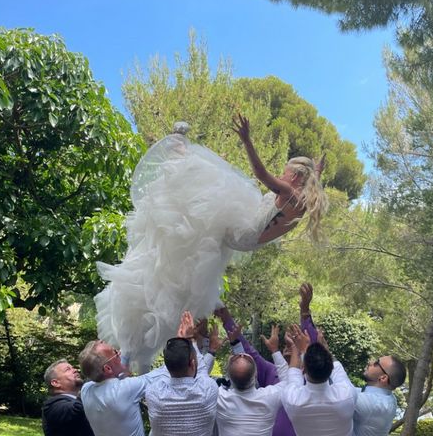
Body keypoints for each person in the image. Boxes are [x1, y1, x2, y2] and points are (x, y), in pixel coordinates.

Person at [94, 118, 328, 372]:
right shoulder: (303, 197)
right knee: (199, 216)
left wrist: (247, 140)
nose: (282, 174)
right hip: (245, 235)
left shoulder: (289, 193)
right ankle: (180, 159)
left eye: (284, 172)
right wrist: (317, 170)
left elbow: (261, 174)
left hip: (242, 231)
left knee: (212, 187)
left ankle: (179, 155)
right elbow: (310, 178)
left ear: (292, 176)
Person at [215, 282, 318, 436]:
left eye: (295, 342)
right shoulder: (272, 371)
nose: (290, 346)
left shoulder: (312, 375)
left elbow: (316, 349)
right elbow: (249, 356)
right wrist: (228, 321)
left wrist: (305, 311)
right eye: (287, 344)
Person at [145, 311, 219, 436]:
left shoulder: (153, 393)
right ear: (192, 363)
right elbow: (201, 371)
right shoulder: (209, 390)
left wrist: (185, 341)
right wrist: (190, 339)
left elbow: (169, 367)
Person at [78, 339, 167, 436]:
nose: (119, 353)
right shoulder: (125, 389)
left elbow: (109, 375)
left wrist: (130, 341)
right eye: (115, 353)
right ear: (107, 369)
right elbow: (162, 373)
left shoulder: (86, 390)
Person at [281, 325, 355, 436]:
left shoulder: (292, 399)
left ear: (304, 369)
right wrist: (321, 349)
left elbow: (293, 373)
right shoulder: (347, 395)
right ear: (331, 371)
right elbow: (338, 370)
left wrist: (295, 346)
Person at [216, 324, 289, 436]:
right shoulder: (270, 397)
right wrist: (275, 350)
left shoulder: (219, 398)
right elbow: (288, 382)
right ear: (255, 375)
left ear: (229, 378)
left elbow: (198, 380)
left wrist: (211, 349)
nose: (241, 355)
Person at [353, 355, 406, 436]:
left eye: (376, 363)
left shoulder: (374, 404)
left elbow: (342, 395)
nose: (370, 363)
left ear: (383, 378)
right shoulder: (389, 398)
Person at [41, 359, 94, 436]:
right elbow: (76, 411)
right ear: (55, 383)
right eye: (67, 369)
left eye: (73, 368)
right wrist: (95, 375)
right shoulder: (51, 406)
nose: (75, 370)